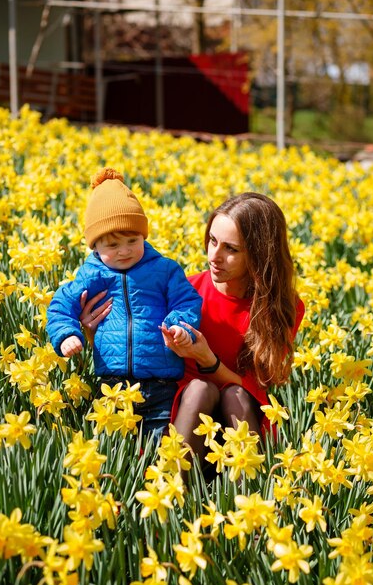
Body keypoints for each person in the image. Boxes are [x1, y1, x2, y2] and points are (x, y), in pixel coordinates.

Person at [81, 191, 304, 461]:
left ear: (259, 255)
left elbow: (256, 387)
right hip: (180, 417)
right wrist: (95, 336)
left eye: (231, 249)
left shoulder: (281, 308)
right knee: (200, 389)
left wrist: (207, 360)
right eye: (212, 241)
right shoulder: (185, 291)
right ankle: (174, 486)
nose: (214, 256)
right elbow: (141, 351)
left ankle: (249, 493)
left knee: (234, 393)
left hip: (240, 418)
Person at [46, 167, 202, 439]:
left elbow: (187, 302)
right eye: (113, 245)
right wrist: (67, 335)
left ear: (144, 236)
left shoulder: (165, 270)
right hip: (113, 385)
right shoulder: (91, 274)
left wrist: (179, 326)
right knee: (117, 450)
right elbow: (60, 305)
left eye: (133, 240)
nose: (125, 250)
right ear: (95, 246)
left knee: (157, 447)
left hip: (160, 383)